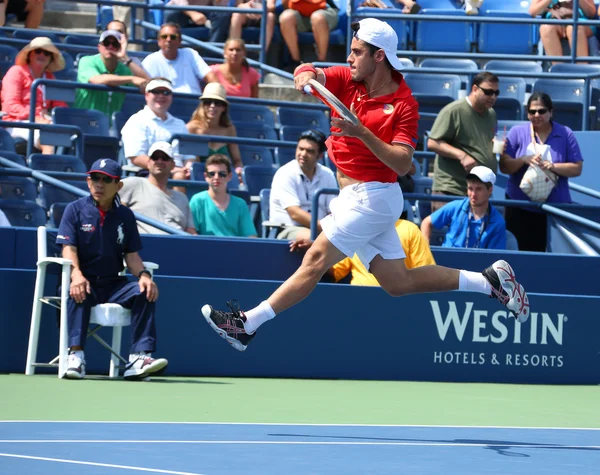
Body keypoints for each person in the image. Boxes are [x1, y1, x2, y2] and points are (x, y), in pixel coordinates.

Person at [201, 18, 530, 353]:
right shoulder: (348, 79)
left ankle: (247, 324)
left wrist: (361, 131)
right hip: (352, 196)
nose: (349, 58)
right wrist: (305, 75)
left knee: (315, 258)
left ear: (379, 56)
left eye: (357, 52)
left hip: (374, 197)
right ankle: (488, 282)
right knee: (398, 283)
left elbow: (403, 163)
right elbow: (310, 69)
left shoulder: (404, 105)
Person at [56, 158, 168, 380]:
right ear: (88, 181)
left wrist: (144, 276)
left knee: (144, 291)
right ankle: (75, 357)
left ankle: (138, 358)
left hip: (113, 283)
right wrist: (76, 275)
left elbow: (132, 255)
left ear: (118, 186)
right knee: (79, 289)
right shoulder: (74, 209)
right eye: (94, 178)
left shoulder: (125, 215)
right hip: (84, 280)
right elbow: (68, 249)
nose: (99, 183)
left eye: (106, 179)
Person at [499, 92, 583, 252]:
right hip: (520, 208)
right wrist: (523, 159)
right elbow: (504, 167)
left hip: (555, 210)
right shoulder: (517, 132)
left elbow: (577, 168)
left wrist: (552, 166)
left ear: (551, 112)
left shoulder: (566, 133)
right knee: (521, 257)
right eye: (532, 111)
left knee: (556, 260)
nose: (537, 115)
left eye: (542, 111)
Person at [427, 71, 499, 212]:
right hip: (452, 189)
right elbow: (433, 143)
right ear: (474, 89)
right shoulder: (453, 111)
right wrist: (462, 155)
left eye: (497, 93)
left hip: (478, 192)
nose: (493, 97)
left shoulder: (491, 114)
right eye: (489, 92)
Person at [1, 36, 67, 155]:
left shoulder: (50, 78)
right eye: (38, 51)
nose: (42, 55)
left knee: (71, 137)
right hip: (16, 122)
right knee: (48, 140)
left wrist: (53, 116)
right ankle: (48, 171)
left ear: (50, 59)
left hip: (44, 122)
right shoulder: (16, 72)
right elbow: (10, 106)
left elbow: (60, 105)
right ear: (30, 55)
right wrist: (36, 117)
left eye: (46, 53)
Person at [269, 129, 337, 241]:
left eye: (309, 151)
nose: (303, 154)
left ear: (319, 155)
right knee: (318, 240)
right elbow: (295, 213)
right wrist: (325, 229)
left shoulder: (327, 174)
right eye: (301, 149)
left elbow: (332, 211)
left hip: (321, 231)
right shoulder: (285, 173)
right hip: (287, 229)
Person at [326, 216, 436, 286]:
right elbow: (335, 272)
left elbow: (427, 275)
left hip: (399, 304)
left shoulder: (409, 229)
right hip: (359, 302)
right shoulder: (353, 230)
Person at [120, 141, 197, 235]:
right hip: (144, 244)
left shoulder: (182, 198)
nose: (159, 161)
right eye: (155, 157)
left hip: (177, 245)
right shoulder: (133, 183)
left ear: (173, 165)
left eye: (164, 158)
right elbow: (114, 213)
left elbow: (191, 232)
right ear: (148, 163)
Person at [420, 166, 507, 250]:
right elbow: (426, 222)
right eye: (470, 188)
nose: (473, 194)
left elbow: (494, 258)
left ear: (490, 190)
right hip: (446, 261)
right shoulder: (455, 206)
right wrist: (425, 247)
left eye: (479, 189)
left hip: (476, 264)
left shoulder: (498, 222)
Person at [120, 77, 195, 172]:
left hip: (180, 175)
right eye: (156, 91)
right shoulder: (136, 121)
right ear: (146, 95)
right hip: (147, 175)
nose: (161, 96)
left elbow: (190, 157)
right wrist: (169, 170)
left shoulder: (180, 124)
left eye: (166, 92)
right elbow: (136, 158)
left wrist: (187, 169)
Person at [74, 30, 149, 120]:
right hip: (84, 120)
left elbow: (149, 84)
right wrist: (131, 79)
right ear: (99, 47)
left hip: (109, 126)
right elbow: (96, 79)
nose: (110, 47)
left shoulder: (124, 69)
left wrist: (125, 58)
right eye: (106, 43)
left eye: (115, 44)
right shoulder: (87, 61)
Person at [189, 154, 257, 236]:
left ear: (229, 176)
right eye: (212, 174)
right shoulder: (197, 201)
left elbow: (251, 236)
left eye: (222, 174)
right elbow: (191, 232)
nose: (216, 177)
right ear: (206, 176)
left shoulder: (240, 204)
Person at [141, 22, 219, 95]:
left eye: (173, 37)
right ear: (158, 41)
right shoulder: (150, 60)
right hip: (165, 103)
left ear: (180, 41)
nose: (168, 40)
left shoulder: (190, 54)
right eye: (164, 36)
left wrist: (215, 95)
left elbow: (210, 76)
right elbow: (142, 84)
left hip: (194, 102)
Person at [186, 82, 244, 179]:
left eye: (217, 103)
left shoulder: (229, 129)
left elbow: (237, 160)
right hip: (199, 178)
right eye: (208, 102)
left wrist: (238, 170)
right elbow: (190, 161)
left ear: (224, 108)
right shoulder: (191, 128)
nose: (212, 106)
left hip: (223, 178)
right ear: (202, 105)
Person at [530, 0, 597, 63]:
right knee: (546, 29)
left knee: (574, 29)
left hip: (579, 21)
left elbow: (591, 12)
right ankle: (558, 69)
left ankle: (582, 68)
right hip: (554, 20)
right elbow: (533, 12)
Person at [279, 0, 339, 68]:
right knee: (286, 17)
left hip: (326, 10)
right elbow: (286, 5)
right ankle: (296, 63)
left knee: (317, 18)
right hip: (300, 13)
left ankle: (322, 63)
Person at [166, 0, 232, 43]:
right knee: (171, 13)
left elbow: (220, 6)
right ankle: (171, 49)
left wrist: (218, 2)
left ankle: (211, 54)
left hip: (206, 10)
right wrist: (192, 13)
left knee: (223, 15)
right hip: (182, 9)